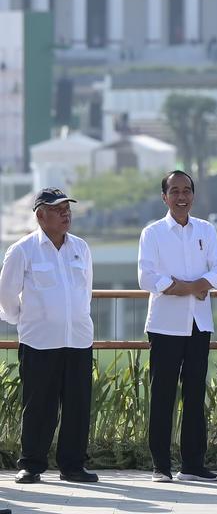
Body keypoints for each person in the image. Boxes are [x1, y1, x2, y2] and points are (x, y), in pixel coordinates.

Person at [0, 188, 98, 484]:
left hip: (78, 339)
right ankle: (31, 464)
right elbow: (5, 297)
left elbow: (86, 291)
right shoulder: (22, 250)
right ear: (40, 215)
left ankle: (72, 465)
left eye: (68, 208)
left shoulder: (81, 247)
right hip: (39, 341)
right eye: (58, 209)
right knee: (39, 405)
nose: (65, 213)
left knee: (78, 406)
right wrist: (29, 321)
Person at [138, 170, 217, 483]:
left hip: (199, 323)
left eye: (186, 190)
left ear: (193, 195)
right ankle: (160, 464)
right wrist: (192, 287)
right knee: (162, 395)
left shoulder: (205, 229)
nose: (181, 196)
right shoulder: (153, 233)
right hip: (164, 325)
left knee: (194, 394)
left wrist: (187, 286)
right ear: (164, 197)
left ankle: (192, 463)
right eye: (174, 191)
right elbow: (147, 277)